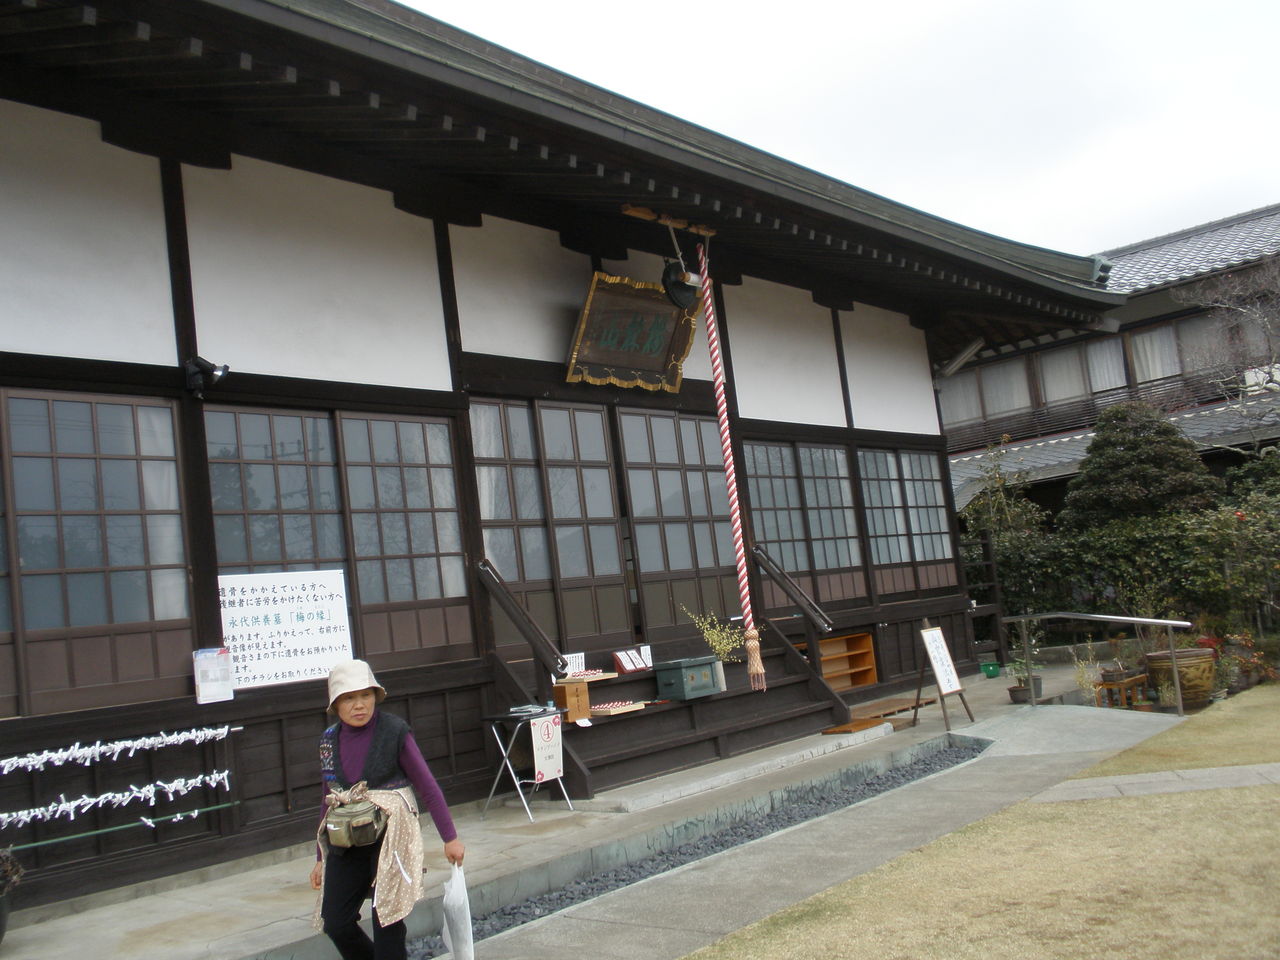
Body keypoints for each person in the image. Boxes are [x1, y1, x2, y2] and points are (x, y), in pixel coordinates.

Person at [310, 659, 465, 960]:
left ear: (375, 696)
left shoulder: (394, 731)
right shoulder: (328, 740)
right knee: (336, 922)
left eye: (365, 695)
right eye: (349, 698)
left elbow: (427, 786)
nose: (359, 705)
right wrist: (320, 858)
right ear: (336, 704)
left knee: (388, 922)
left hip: (391, 839)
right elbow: (328, 797)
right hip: (346, 841)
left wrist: (450, 838)